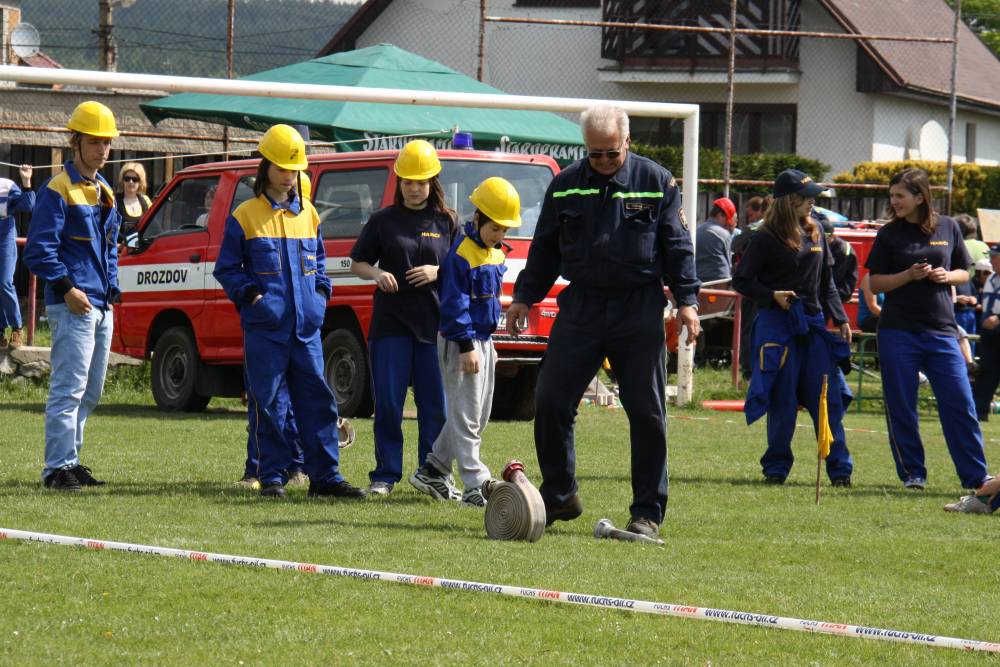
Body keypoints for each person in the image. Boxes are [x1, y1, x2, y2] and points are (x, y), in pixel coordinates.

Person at [506, 105, 701, 539]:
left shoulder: (656, 181)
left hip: (639, 305)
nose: (604, 161)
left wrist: (687, 300)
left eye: (612, 153)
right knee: (551, 399)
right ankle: (560, 495)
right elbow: (544, 249)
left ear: (627, 142)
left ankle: (647, 512)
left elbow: (677, 245)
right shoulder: (565, 185)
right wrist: (524, 298)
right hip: (583, 305)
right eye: (594, 154)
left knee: (647, 412)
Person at [213, 124, 364, 499]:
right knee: (270, 404)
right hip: (266, 329)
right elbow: (227, 269)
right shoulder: (245, 215)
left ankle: (326, 478)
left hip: (306, 330)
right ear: (265, 166)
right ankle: (273, 477)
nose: (288, 176)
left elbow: (321, 265)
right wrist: (253, 297)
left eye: (294, 170)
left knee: (319, 402)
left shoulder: (309, 214)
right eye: (282, 168)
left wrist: (320, 298)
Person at [866, 168, 990, 491]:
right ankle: (913, 474)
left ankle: (976, 477)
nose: (894, 202)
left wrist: (946, 276)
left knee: (960, 402)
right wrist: (908, 275)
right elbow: (874, 282)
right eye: (892, 196)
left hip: (942, 330)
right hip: (897, 331)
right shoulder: (888, 234)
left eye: (900, 196)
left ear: (920, 197)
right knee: (901, 405)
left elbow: (964, 271)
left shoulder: (948, 226)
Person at [349, 139, 457, 497]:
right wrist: (377, 274)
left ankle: (433, 473)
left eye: (420, 182)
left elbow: (464, 268)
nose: (414, 188)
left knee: (435, 407)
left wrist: (437, 271)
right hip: (390, 325)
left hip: (434, 326)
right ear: (399, 182)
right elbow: (357, 263)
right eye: (408, 181)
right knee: (389, 405)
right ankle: (385, 475)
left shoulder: (448, 221)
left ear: (432, 182)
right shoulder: (383, 221)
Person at [732, 169, 854, 486]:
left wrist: (840, 318)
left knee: (827, 399)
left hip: (813, 325)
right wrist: (772, 295)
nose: (813, 202)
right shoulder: (765, 237)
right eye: (807, 197)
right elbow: (741, 280)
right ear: (790, 200)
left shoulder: (817, 231)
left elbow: (827, 283)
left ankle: (840, 470)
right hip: (776, 325)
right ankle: (776, 469)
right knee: (782, 399)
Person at [23, 101, 122, 492]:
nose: (102, 150)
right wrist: (67, 289)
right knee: (69, 389)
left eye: (107, 142)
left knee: (90, 392)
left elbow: (111, 249)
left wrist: (111, 292)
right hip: (72, 304)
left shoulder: (106, 192)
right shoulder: (57, 188)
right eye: (95, 142)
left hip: (100, 305)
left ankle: (71, 461)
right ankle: (56, 469)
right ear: (75, 141)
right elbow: (38, 251)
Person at [409, 177, 521, 507]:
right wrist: (467, 347)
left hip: (484, 341)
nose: (500, 235)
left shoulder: (496, 254)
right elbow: (454, 305)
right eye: (495, 228)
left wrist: (488, 344)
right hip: (461, 343)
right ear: (478, 218)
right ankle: (475, 483)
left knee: (477, 414)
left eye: (505, 230)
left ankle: (433, 469)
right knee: (467, 416)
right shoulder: (461, 254)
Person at [0, 164, 34, 350]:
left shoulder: (6, 185)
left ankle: (17, 327)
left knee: (4, 281)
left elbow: (28, 205)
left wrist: (26, 180)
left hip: (5, 233)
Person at [972, 245, 1000, 421]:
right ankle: (979, 412)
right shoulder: (991, 278)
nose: (992, 260)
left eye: (995, 256)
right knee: (987, 371)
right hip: (989, 332)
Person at [818, 215, 857, 308]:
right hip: (826, 292)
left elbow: (834, 276)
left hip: (839, 292)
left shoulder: (842, 250)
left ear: (832, 236)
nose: (820, 240)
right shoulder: (825, 246)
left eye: (824, 237)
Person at [695, 196, 736, 283]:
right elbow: (729, 261)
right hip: (720, 280)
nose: (726, 223)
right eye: (726, 219)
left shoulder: (697, 231)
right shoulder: (724, 234)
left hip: (700, 279)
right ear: (720, 215)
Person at [114, 162, 152, 241]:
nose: (131, 182)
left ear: (140, 182)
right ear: (122, 180)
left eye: (135, 179)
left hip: (142, 246)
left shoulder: (146, 200)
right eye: (127, 178)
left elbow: (153, 226)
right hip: (120, 247)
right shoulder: (113, 201)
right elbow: (108, 228)